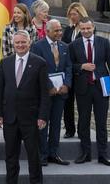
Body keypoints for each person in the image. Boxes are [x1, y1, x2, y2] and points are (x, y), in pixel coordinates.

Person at [0, 30, 50, 184]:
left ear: (29, 43)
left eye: (23, 42)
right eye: (17, 42)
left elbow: (44, 93)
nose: (20, 45)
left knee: (34, 155)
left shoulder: (40, 62)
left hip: (31, 118)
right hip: (10, 117)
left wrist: (42, 116)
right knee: (10, 156)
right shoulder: (5, 62)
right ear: (13, 43)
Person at [68, 17, 110, 166]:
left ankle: (103, 155)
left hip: (102, 86)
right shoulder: (74, 45)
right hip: (83, 87)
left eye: (88, 28)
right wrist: (81, 66)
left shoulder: (104, 42)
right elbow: (70, 65)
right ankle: (86, 153)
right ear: (79, 29)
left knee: (101, 122)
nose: (85, 31)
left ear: (93, 27)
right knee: (83, 122)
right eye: (82, 29)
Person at [30, 20, 72, 166]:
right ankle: (42, 154)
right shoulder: (37, 47)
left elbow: (68, 67)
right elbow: (37, 69)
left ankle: (53, 153)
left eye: (60, 30)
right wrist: (48, 86)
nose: (60, 33)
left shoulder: (64, 46)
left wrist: (67, 84)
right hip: (45, 93)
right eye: (56, 31)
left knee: (56, 124)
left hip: (61, 93)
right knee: (43, 124)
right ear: (47, 31)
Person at [60, 2, 89, 139]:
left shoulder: (86, 29)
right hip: (69, 70)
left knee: (83, 103)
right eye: (70, 14)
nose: (72, 17)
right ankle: (69, 129)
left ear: (81, 14)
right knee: (67, 101)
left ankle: (82, 130)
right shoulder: (68, 30)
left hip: (82, 71)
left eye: (75, 14)